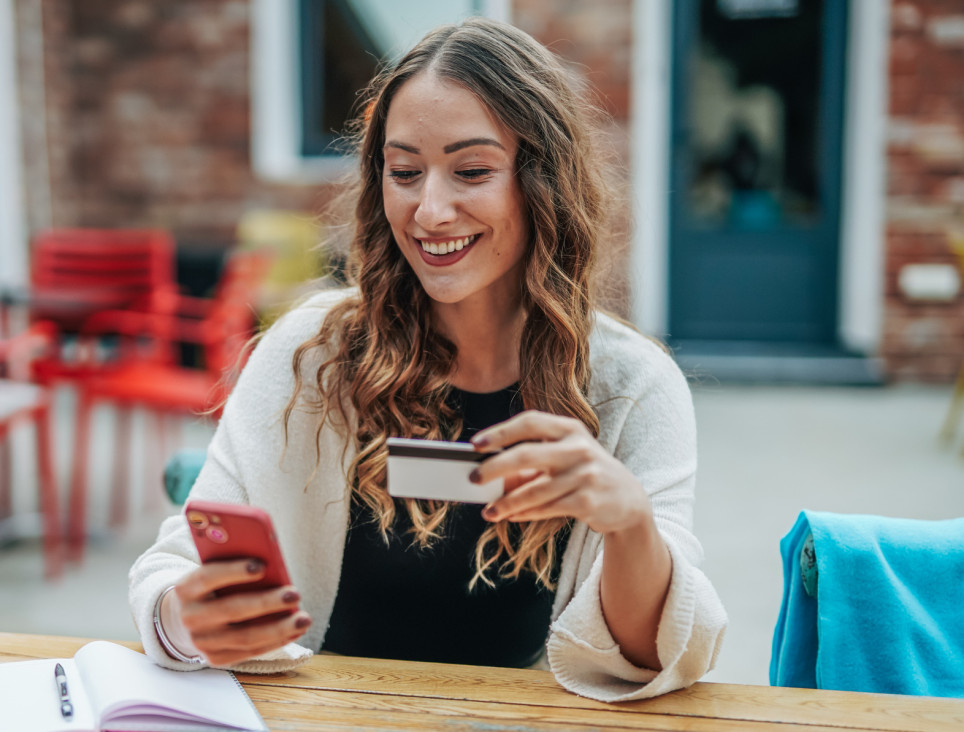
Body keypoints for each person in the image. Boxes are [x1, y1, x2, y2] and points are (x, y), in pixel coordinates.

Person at [129, 17, 727, 702]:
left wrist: (628, 524)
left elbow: (653, 658)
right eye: (404, 172)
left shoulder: (633, 387)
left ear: (542, 184)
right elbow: (172, 570)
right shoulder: (310, 351)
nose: (430, 210)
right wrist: (186, 619)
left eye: (471, 171)